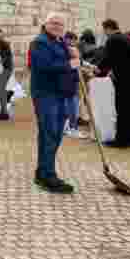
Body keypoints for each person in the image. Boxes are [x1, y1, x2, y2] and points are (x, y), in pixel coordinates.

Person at [28, 13, 81, 193]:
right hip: (46, 95)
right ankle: (48, 175)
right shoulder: (40, 43)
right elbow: (45, 67)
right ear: (46, 23)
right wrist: (71, 64)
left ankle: (43, 173)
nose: (58, 26)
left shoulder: (60, 42)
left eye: (61, 24)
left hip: (61, 94)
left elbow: (70, 63)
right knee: (49, 133)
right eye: (54, 23)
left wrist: (74, 58)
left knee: (56, 134)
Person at [95, 19, 130, 148]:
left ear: (108, 28)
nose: (105, 34)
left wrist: (97, 70)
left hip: (124, 79)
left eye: (104, 31)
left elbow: (108, 59)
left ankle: (121, 140)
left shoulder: (113, 40)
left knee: (122, 109)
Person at [62, 32, 86, 139]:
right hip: (69, 81)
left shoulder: (64, 48)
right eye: (74, 40)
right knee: (72, 105)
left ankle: (67, 127)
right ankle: (72, 127)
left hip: (70, 81)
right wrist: (77, 60)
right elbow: (72, 65)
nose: (75, 43)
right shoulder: (68, 49)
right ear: (69, 39)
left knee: (70, 105)